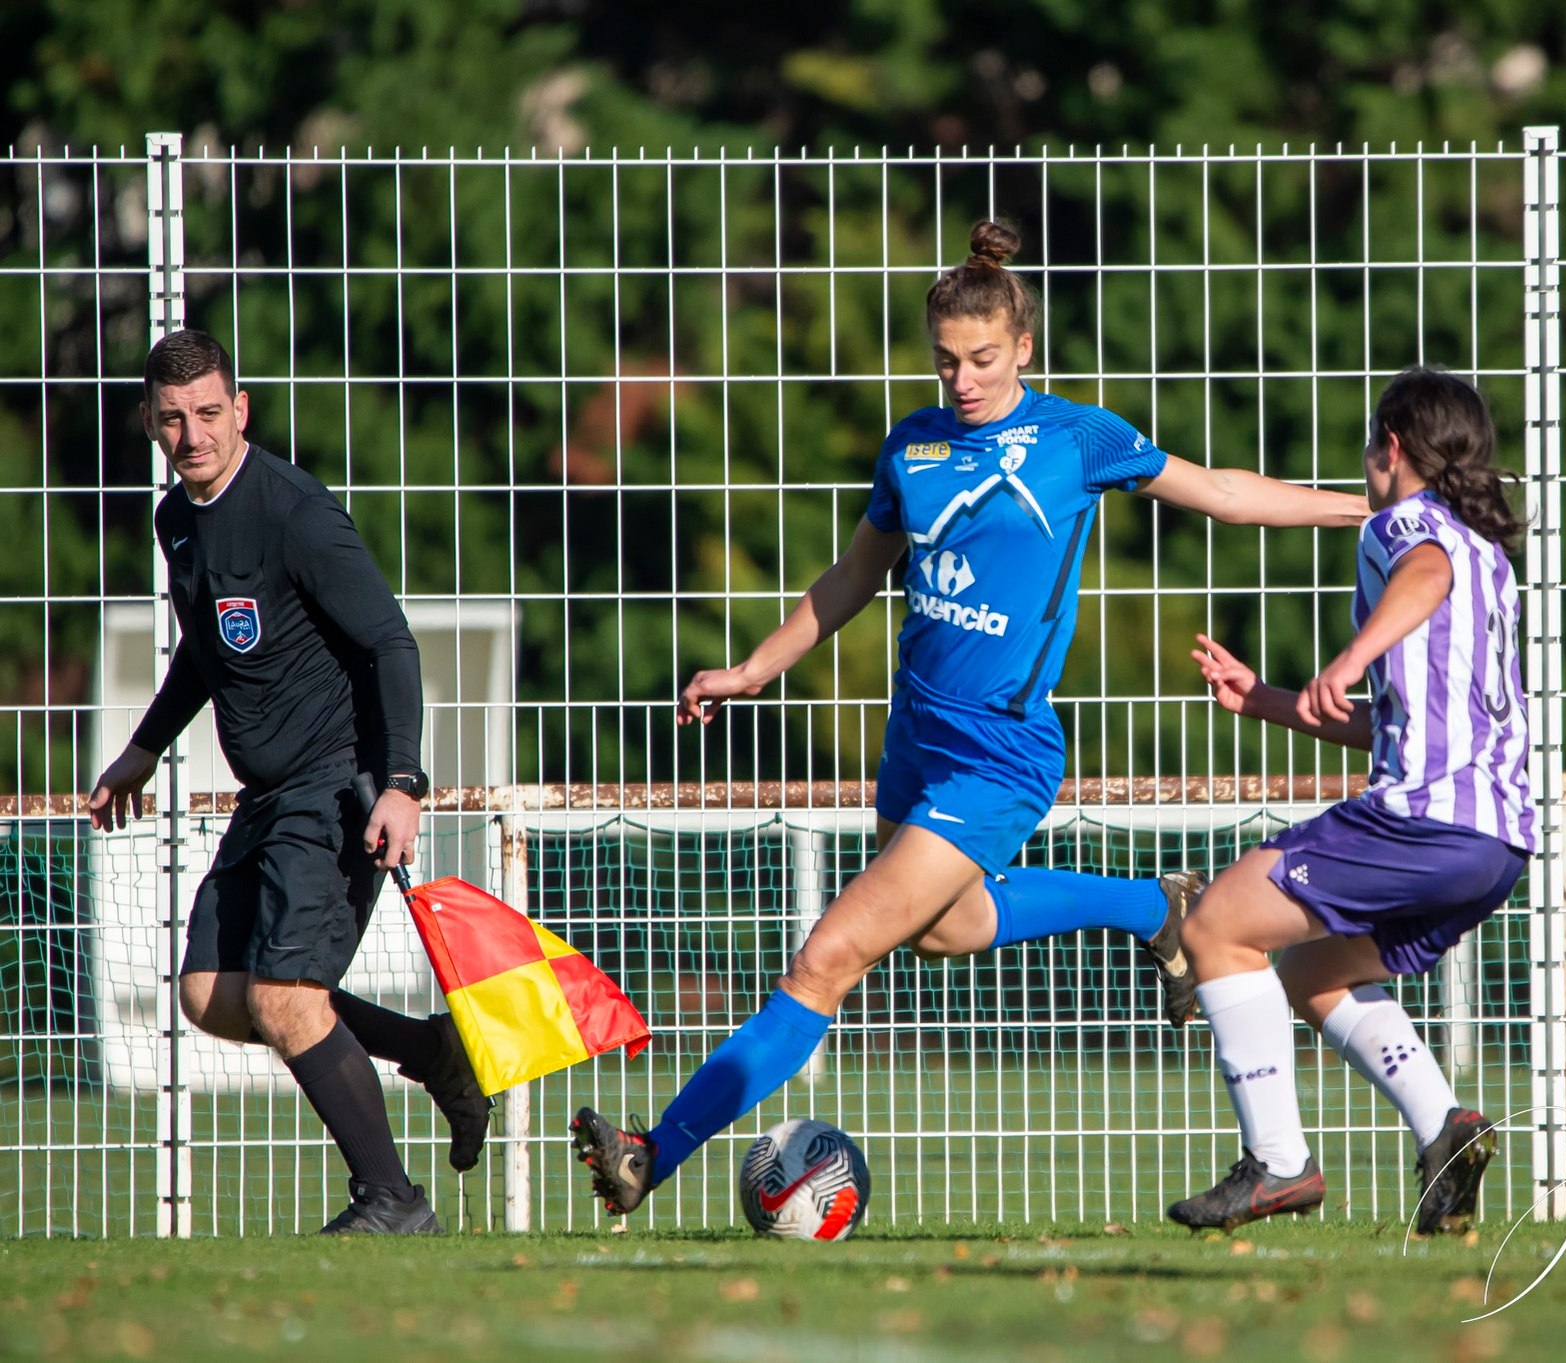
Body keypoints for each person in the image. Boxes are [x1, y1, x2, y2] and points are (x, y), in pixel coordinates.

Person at [571, 220, 1377, 1216]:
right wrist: (752, 668)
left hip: (998, 758)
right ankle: (1152, 907)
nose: (962, 380)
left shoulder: (1076, 439)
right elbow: (851, 580)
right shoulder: (910, 446)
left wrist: (1369, 510)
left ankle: (654, 1149)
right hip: (914, 739)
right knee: (947, 930)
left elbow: (1220, 493)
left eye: (983, 359)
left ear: (1022, 348)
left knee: (826, 959)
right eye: (946, 360)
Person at [88, 329, 492, 1235]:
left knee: (284, 997)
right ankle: (432, 1050)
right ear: (151, 426)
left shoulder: (296, 513)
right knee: (210, 991)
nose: (192, 433)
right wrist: (146, 747)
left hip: (338, 782)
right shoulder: (177, 520)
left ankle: (392, 1200)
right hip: (267, 795)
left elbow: (391, 641)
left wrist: (402, 783)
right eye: (171, 419)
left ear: (241, 411)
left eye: (207, 413)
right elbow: (206, 646)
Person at [1165, 367, 1532, 1235]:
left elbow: (1423, 571)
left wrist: (1353, 652)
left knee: (1216, 923)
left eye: (1372, 449)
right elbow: (1396, 725)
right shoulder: (1492, 555)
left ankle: (1278, 1164)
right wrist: (1266, 698)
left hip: (1426, 819)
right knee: (1315, 972)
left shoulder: (1417, 526)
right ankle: (1446, 1127)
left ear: (1392, 447)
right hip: (1495, 841)